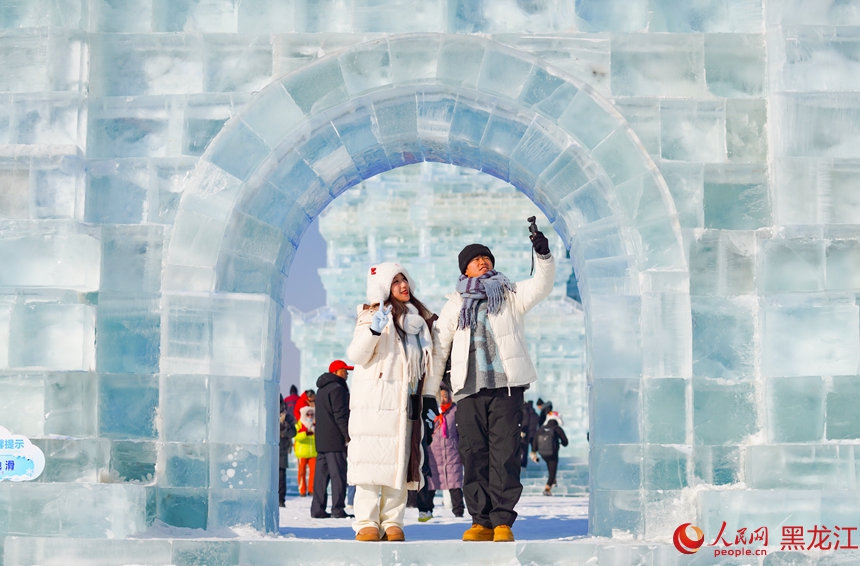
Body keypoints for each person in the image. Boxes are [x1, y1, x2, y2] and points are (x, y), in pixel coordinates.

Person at [432, 232, 555, 543]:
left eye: (486, 258)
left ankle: (502, 521)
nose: (482, 262)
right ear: (465, 270)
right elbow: (438, 348)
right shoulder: (454, 305)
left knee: (505, 454)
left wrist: (543, 256)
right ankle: (480, 520)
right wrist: (429, 393)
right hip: (468, 391)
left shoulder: (510, 294)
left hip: (506, 388)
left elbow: (541, 286)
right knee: (473, 454)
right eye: (476, 260)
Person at [347, 262, 440, 542]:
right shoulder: (371, 315)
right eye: (395, 281)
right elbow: (357, 355)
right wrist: (375, 330)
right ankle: (366, 521)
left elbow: (428, 364)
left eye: (404, 280)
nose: (403, 285)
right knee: (371, 463)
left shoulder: (419, 322)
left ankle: (393, 522)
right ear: (383, 288)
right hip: (375, 402)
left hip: (406, 402)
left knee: (400, 461)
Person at [311, 359, 353, 519]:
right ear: (336, 372)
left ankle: (317, 509)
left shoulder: (321, 390)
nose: (347, 373)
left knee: (321, 477)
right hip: (335, 441)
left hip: (321, 440)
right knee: (338, 476)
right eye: (345, 370)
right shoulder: (337, 389)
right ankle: (337, 509)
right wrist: (347, 436)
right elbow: (341, 415)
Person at [423, 384, 465, 520]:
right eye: (441, 396)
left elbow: (460, 431)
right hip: (434, 453)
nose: (443, 399)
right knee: (432, 483)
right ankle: (427, 509)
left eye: (446, 396)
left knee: (455, 483)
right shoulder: (433, 411)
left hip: (451, 453)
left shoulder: (455, 410)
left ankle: (459, 511)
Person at [531, 411, 568, 496]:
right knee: (552, 472)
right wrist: (561, 443)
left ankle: (553, 481)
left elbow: (535, 440)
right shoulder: (557, 428)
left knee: (550, 467)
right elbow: (565, 442)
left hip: (542, 453)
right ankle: (547, 488)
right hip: (553, 454)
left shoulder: (541, 428)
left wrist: (534, 451)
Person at [294, 405, 317, 497]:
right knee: (301, 472)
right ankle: (302, 490)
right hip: (302, 452)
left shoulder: (316, 425)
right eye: (308, 414)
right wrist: (305, 433)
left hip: (313, 452)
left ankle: (312, 490)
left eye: (312, 414)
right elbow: (296, 437)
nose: (310, 416)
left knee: (314, 472)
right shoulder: (299, 425)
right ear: (304, 415)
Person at [279, 395, 296, 506]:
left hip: (282, 450)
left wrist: (283, 427)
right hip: (269, 452)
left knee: (281, 477)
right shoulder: (266, 413)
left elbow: (293, 433)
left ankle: (281, 499)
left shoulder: (287, 417)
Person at [520, 399, 538, 468]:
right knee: (527, 448)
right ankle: (524, 463)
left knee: (522, 448)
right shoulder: (533, 412)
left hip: (525, 431)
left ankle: (522, 463)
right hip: (531, 432)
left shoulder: (525, 410)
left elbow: (525, 422)